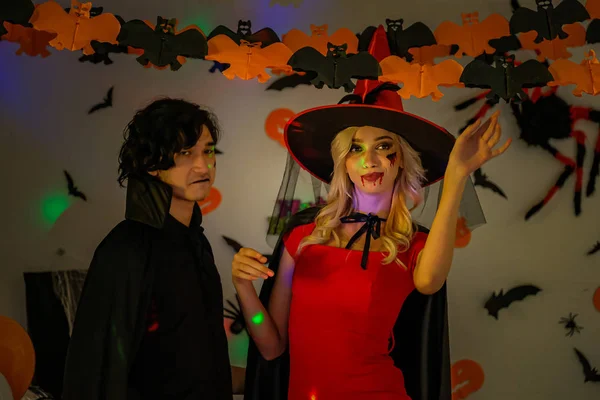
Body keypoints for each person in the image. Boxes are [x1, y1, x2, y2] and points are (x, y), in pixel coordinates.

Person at [232, 27, 511, 400]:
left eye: (384, 147)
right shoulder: (302, 238)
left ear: (400, 164)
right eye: (357, 149)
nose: (371, 160)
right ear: (343, 163)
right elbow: (271, 347)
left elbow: (429, 282)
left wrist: (457, 174)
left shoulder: (412, 244)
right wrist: (244, 289)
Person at [62, 98, 233, 400]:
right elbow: (98, 368)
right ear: (152, 165)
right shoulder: (127, 248)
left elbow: (200, 361)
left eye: (207, 150)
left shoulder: (197, 243)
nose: (202, 164)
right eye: (185, 153)